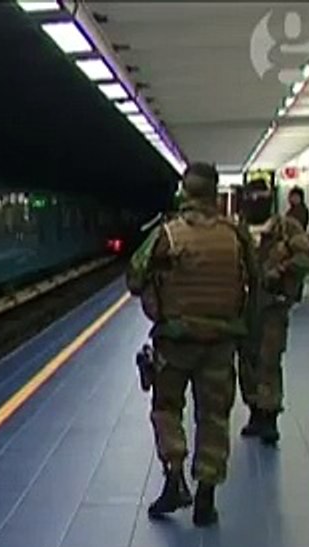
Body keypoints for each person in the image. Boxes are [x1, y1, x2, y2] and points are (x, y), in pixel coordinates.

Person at [126, 162, 258, 526]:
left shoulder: (168, 234)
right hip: (221, 343)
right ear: (214, 193)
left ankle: (174, 478)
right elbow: (256, 285)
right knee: (214, 416)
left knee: (167, 408)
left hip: (175, 342)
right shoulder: (236, 235)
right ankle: (206, 498)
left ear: (186, 192)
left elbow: (134, 278)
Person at [237, 179, 309, 445]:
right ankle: (254, 410)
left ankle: (270, 415)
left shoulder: (287, 228)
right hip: (243, 307)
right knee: (247, 360)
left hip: (273, 305)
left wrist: (280, 271)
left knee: (269, 359)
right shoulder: (237, 230)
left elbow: (308, 258)